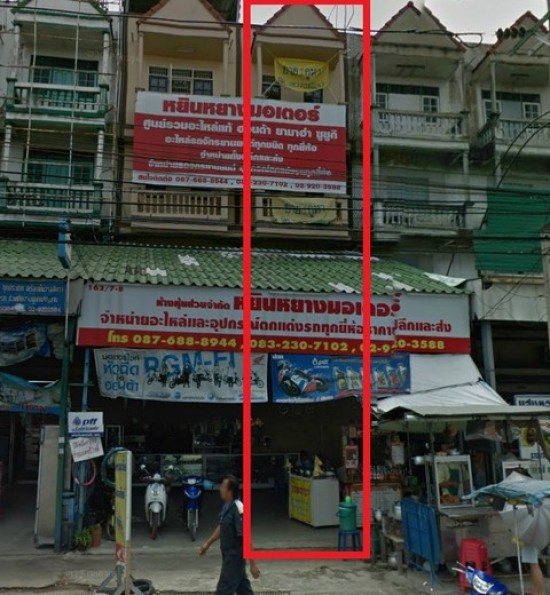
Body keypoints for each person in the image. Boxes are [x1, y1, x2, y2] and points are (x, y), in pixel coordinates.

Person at [199, 475, 260, 595]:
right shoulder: (226, 506)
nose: (220, 489)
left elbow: (246, 537)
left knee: (223, 590)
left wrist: (253, 564)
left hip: (235, 557)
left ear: (230, 491)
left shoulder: (239, 509)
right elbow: (222, 527)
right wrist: (207, 543)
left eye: (223, 487)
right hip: (227, 555)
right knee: (243, 589)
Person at [510, 467, 545, 595]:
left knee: (533, 563)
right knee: (532, 562)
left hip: (531, 531)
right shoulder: (531, 490)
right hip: (535, 530)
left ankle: (540, 592)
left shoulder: (525, 493)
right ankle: (536, 590)